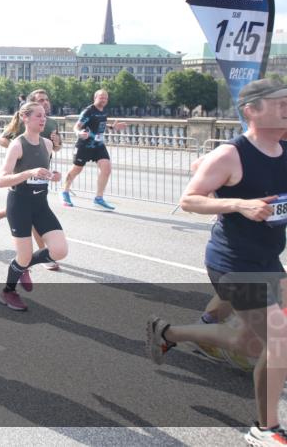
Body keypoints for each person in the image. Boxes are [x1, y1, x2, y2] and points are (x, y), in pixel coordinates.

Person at [146, 78, 287, 446]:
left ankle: (167, 333)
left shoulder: (284, 148)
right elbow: (190, 199)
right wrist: (239, 203)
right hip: (233, 262)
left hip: (267, 258)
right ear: (252, 111)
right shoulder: (231, 154)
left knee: (245, 341)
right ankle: (265, 428)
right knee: (279, 341)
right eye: (280, 103)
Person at [0, 102, 67, 311]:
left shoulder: (47, 144)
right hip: (20, 205)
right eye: (38, 116)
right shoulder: (17, 145)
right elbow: (0, 180)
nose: (43, 119)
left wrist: (52, 176)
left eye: (44, 115)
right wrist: (29, 173)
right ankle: (8, 291)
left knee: (60, 250)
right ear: (25, 118)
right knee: (24, 254)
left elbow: (42, 172)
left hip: (40, 204)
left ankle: (22, 265)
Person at [0, 89, 63, 269]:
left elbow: (56, 147)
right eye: (40, 100)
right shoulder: (23, 122)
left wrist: (57, 142)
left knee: (33, 208)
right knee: (28, 213)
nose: (45, 103)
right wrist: (18, 151)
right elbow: (2, 139)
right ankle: (39, 258)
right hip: (22, 174)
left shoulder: (50, 123)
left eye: (46, 100)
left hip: (41, 176)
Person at [60, 89, 127, 210]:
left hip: (98, 145)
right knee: (76, 169)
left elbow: (99, 124)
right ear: (95, 98)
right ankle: (65, 192)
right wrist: (79, 133)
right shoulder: (88, 111)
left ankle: (99, 198)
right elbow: (77, 126)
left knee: (106, 168)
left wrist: (112, 127)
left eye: (106, 98)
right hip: (84, 145)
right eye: (101, 97)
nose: (104, 100)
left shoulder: (103, 112)